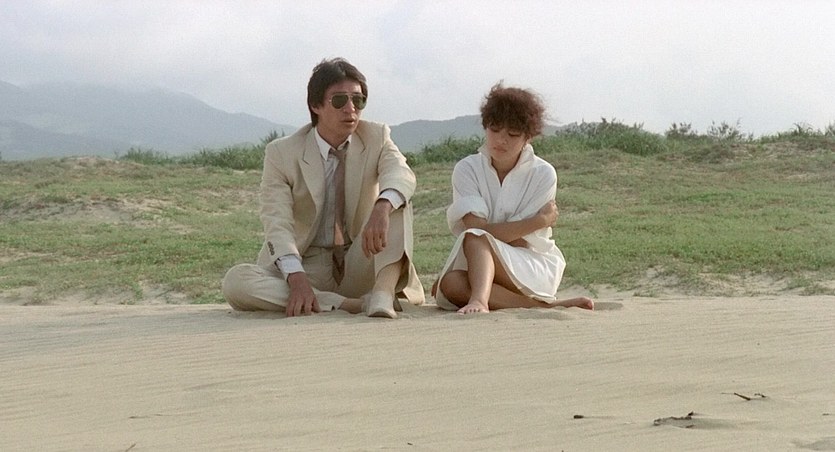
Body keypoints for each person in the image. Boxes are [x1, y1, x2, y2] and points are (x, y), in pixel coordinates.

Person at [222, 57, 424, 318]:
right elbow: (276, 220)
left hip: (361, 257)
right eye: (339, 100)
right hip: (307, 265)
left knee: (396, 199)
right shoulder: (282, 153)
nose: (351, 109)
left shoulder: (376, 137)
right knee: (236, 281)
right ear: (315, 105)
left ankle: (382, 294)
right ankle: (345, 304)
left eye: (358, 100)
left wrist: (382, 207)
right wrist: (296, 278)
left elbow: (401, 173)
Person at [432, 83, 594, 314]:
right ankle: (546, 306)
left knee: (477, 238)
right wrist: (539, 221)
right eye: (495, 130)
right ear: (486, 127)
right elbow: (476, 226)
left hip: (532, 264)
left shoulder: (543, 173)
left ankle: (479, 301)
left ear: (528, 137)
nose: (501, 140)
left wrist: (496, 231)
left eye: (513, 134)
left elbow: (518, 242)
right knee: (450, 284)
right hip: (483, 265)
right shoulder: (467, 169)